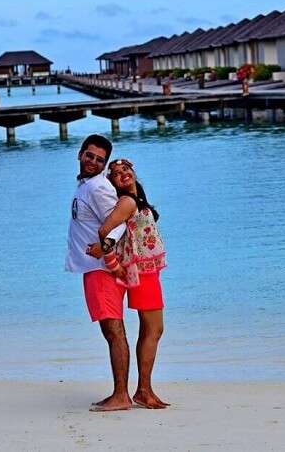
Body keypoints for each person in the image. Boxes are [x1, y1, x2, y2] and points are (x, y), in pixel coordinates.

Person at [86, 158, 170, 409]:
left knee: (153, 330)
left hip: (147, 270)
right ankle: (141, 390)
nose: (122, 174)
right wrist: (112, 263)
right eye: (116, 173)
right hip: (138, 271)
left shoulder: (137, 201)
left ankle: (144, 390)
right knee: (152, 330)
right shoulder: (127, 202)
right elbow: (105, 232)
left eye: (126, 170)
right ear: (112, 183)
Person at [66, 134, 130, 412]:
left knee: (114, 330)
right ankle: (121, 393)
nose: (93, 162)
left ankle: (121, 396)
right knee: (110, 331)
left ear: (104, 165)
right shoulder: (86, 185)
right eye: (89, 156)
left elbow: (120, 223)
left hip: (102, 270)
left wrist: (105, 246)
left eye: (99, 160)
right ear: (80, 154)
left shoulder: (98, 187)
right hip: (94, 269)